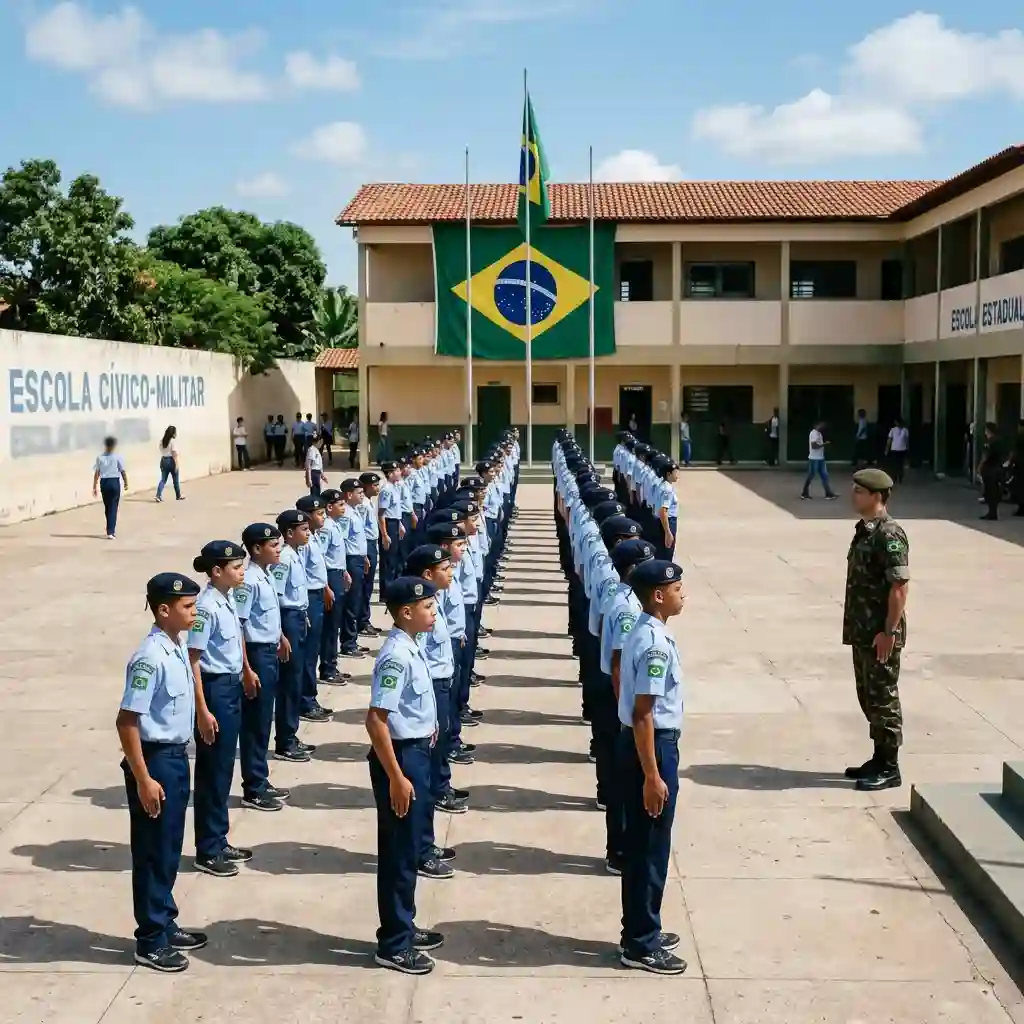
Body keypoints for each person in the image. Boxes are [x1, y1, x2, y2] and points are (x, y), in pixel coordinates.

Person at [117, 572, 207, 973]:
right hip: (154, 762)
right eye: (187, 607)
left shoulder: (175, 645)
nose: (194, 612)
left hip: (173, 757)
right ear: (164, 610)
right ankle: (150, 939)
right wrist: (143, 779)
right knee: (153, 852)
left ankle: (165, 920)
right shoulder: (149, 656)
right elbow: (126, 721)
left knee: (169, 847)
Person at [365, 576, 445, 975]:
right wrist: (396, 776)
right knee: (398, 852)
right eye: (428, 607)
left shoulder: (412, 646)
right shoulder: (395, 655)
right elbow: (376, 720)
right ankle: (394, 942)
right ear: (406, 612)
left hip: (415, 754)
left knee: (409, 846)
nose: (434, 612)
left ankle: (405, 925)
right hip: (400, 759)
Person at [617, 558, 687, 976]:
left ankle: (643, 928)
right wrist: (652, 775)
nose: (684, 593)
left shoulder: (644, 632)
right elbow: (644, 713)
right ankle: (641, 942)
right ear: (658, 595)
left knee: (646, 845)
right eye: (678, 588)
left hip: (648, 745)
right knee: (649, 848)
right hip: (653, 748)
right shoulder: (655, 644)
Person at [188, 540, 258, 877]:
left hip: (230, 685)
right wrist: (202, 709)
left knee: (224, 767)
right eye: (236, 566)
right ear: (217, 571)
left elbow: (237, 637)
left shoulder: (225, 599)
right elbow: (194, 659)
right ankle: (208, 848)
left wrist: (245, 668)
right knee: (212, 771)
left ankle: (219, 837)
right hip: (214, 691)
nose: (242, 571)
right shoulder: (205, 608)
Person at [842, 468, 910, 792]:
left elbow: (899, 587)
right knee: (868, 697)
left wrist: (889, 632)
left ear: (876, 496)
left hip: (881, 633)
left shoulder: (889, 534)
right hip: (863, 631)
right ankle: (878, 756)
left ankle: (890, 766)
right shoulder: (864, 531)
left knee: (883, 697)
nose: (853, 495)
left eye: (859, 491)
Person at [597, 537, 655, 876]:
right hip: (619, 697)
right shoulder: (625, 606)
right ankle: (617, 851)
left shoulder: (630, 599)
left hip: (622, 698)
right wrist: (625, 712)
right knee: (621, 782)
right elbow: (619, 663)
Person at [404, 545, 458, 880]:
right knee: (421, 785)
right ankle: (421, 850)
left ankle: (426, 843)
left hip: (439, 688)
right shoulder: (417, 623)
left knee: (432, 770)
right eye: (444, 568)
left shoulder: (430, 605)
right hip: (431, 693)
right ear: (427, 575)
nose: (451, 571)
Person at [235, 523, 292, 813]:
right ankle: (253, 787)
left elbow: (265, 616)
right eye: (273, 545)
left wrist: (279, 636)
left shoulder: (265, 575)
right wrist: (246, 668)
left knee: (263, 721)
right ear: (256, 549)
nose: (278, 549)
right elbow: (241, 626)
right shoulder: (249, 581)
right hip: (255, 656)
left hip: (269, 650)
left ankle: (262, 778)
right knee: (255, 723)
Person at [270, 509, 314, 763]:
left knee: (296, 679)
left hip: (297, 617)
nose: (307, 533)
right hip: (287, 620)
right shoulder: (284, 559)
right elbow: (276, 597)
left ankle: (291, 733)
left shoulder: (294, 555)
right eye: (303, 530)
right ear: (289, 533)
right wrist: (281, 633)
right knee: (289, 682)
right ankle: (285, 740)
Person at [296, 495, 334, 724]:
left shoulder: (312, 539)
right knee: (308, 654)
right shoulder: (302, 545)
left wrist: (326, 587)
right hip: (308, 599)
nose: (323, 517)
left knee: (314, 651)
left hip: (317, 594)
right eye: (319, 514)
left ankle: (310, 698)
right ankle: (306, 701)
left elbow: (317, 570)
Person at [317, 489, 351, 689]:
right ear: (329, 507)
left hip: (337, 574)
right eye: (339, 504)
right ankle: (328, 668)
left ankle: (332, 664)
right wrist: (326, 585)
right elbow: (321, 558)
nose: (343, 507)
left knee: (335, 623)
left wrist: (344, 571)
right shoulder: (326, 529)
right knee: (330, 627)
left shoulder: (333, 525)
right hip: (329, 577)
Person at [339, 478, 370, 660]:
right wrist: (345, 568)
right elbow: (343, 543)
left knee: (357, 601)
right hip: (350, 561)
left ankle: (353, 639)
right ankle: (348, 643)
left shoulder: (355, 511)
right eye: (359, 493)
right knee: (351, 603)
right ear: (349, 495)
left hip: (358, 558)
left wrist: (364, 556)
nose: (362, 495)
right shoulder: (346, 516)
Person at [359, 471, 383, 635]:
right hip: (366, 544)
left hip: (372, 543)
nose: (377, 488)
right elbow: (360, 529)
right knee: (365, 586)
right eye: (374, 485)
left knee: (367, 586)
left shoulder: (369, 502)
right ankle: (362, 621)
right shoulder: (363, 505)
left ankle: (364, 619)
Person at [93, 435, 128, 539]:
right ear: (114, 446)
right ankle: (110, 531)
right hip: (114, 482)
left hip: (104, 483)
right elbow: (122, 471)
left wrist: (94, 486)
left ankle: (109, 529)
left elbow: (97, 472)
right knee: (113, 507)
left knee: (108, 507)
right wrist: (126, 483)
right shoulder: (117, 457)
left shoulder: (100, 457)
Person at [801, 421, 838, 500]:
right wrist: (824, 444)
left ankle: (828, 493)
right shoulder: (813, 434)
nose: (823, 427)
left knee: (824, 476)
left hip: (820, 458)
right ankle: (804, 492)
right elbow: (814, 446)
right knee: (811, 476)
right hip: (814, 458)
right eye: (821, 425)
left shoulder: (819, 434)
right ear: (816, 425)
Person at [978, 422, 1006, 521]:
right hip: (997, 467)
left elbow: (986, 456)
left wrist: (980, 466)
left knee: (989, 491)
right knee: (994, 491)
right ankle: (992, 512)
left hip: (989, 469)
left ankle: (991, 513)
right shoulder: (1000, 441)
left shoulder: (990, 442)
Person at [156, 426, 183, 502]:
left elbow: (161, 450)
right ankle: (178, 495)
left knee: (163, 480)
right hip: (171, 460)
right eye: (175, 432)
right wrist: (177, 464)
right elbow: (174, 453)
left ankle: (158, 495)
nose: (176, 434)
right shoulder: (172, 442)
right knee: (175, 480)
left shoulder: (162, 441)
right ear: (173, 433)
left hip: (163, 460)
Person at [885, 416, 909, 484]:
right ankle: (898, 477)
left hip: (896, 449)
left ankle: (896, 477)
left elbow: (889, 441)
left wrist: (887, 449)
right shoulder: (904, 430)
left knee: (896, 464)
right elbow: (906, 441)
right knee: (899, 464)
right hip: (900, 449)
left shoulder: (894, 430)